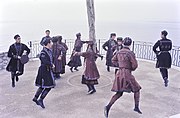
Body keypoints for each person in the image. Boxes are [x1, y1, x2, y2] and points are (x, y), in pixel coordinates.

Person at [104, 37, 142, 118]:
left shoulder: (119, 52)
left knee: (119, 93)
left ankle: (107, 107)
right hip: (127, 74)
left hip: (119, 73)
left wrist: (120, 66)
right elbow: (135, 65)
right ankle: (136, 107)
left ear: (123, 43)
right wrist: (128, 68)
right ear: (130, 44)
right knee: (137, 89)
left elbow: (113, 60)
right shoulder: (130, 53)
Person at [32, 38, 55, 109]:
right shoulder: (43, 52)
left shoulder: (49, 51)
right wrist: (51, 65)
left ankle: (35, 98)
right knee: (49, 86)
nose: (52, 44)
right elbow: (44, 61)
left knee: (43, 86)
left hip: (47, 70)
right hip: (44, 71)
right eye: (51, 42)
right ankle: (40, 99)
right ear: (48, 43)